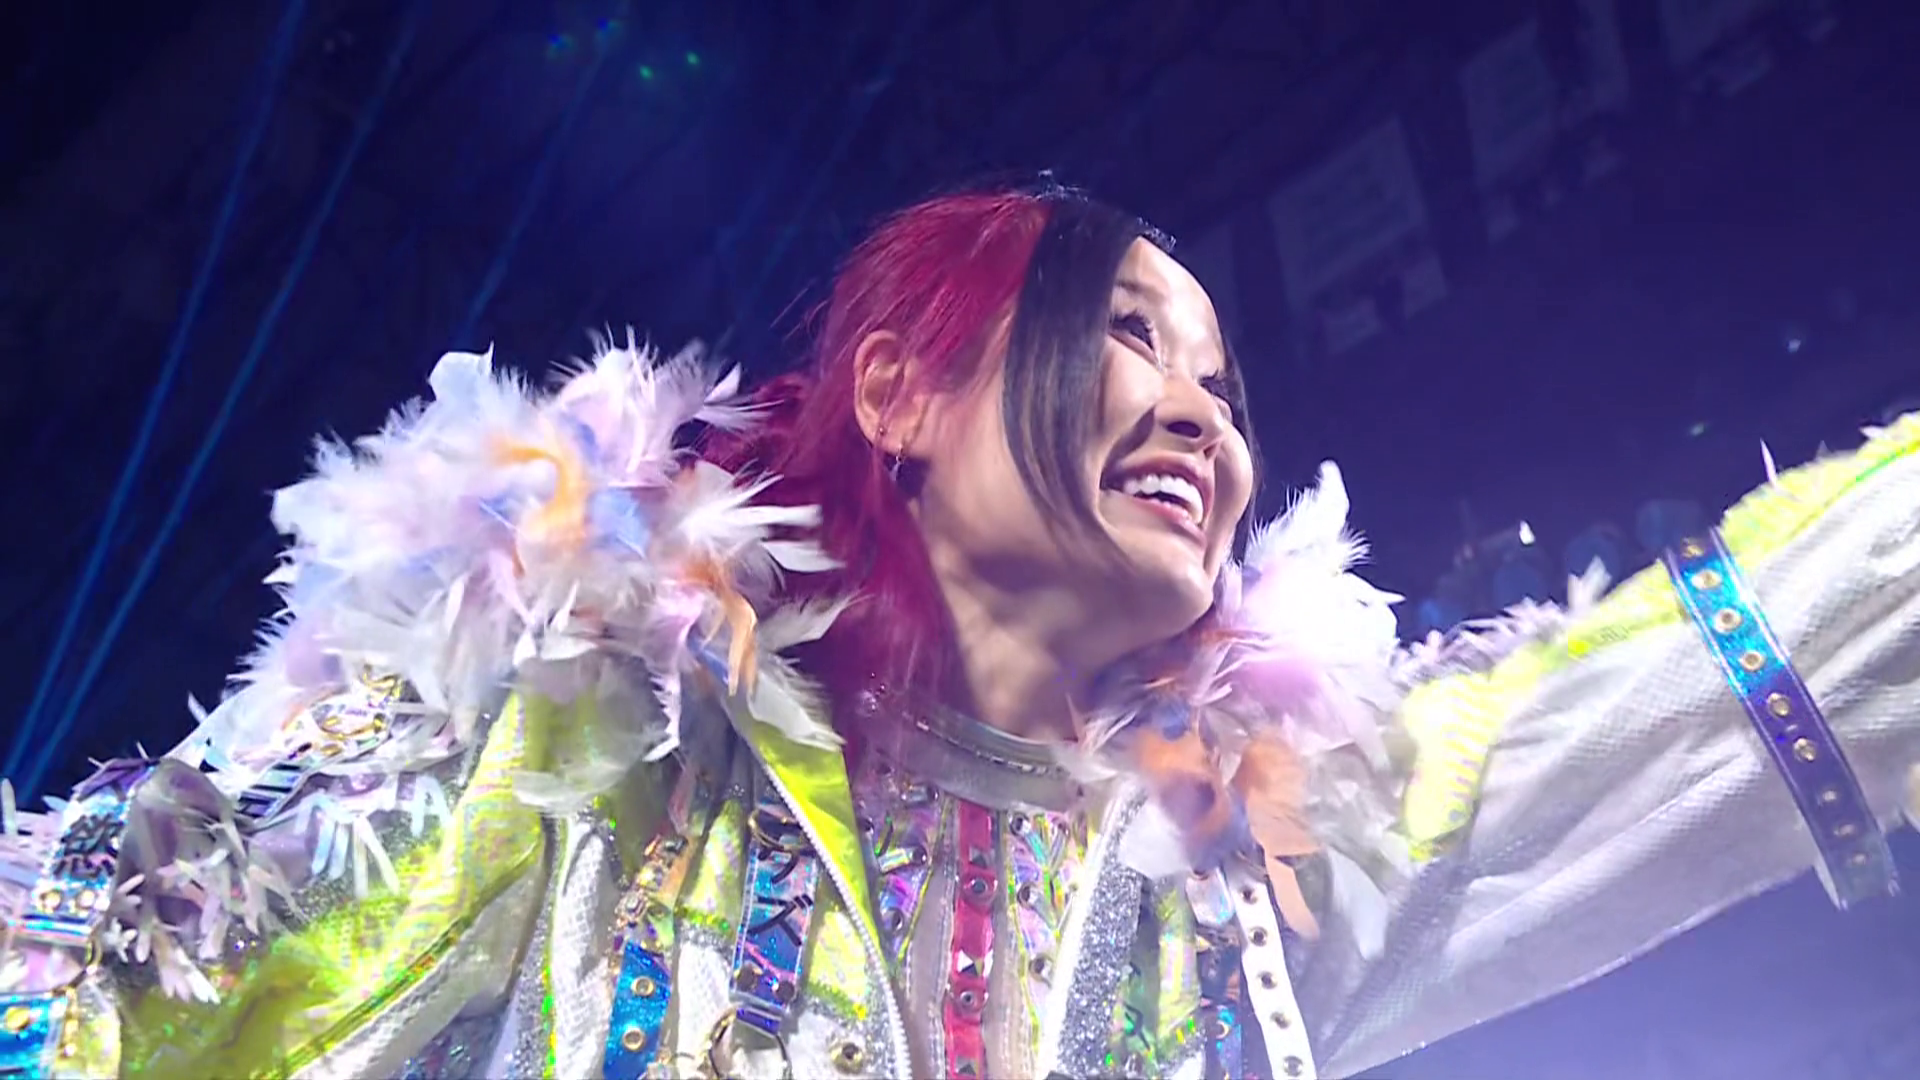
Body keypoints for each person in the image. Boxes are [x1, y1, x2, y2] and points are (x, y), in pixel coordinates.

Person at [1, 185, 1917, 1080]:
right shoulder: (588, 702)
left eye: (1227, 385)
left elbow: (1736, 679)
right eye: (1132, 337)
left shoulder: (1261, 857)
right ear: (902, 394)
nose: (1201, 416)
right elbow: (114, 962)